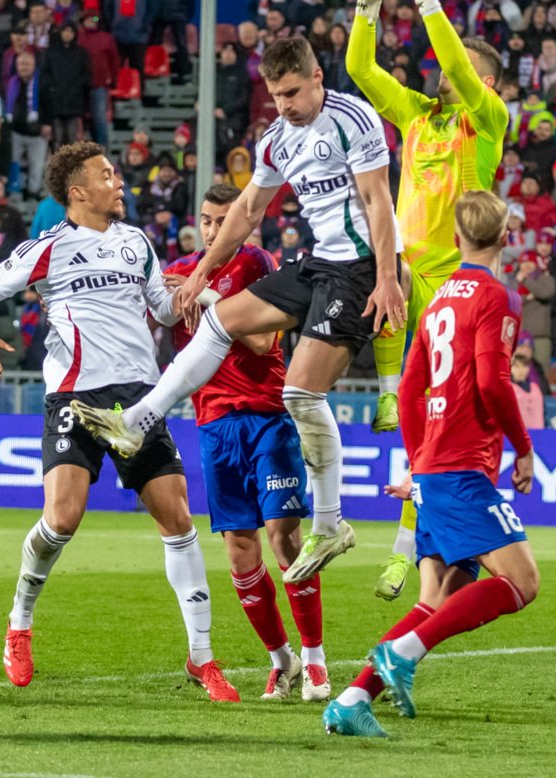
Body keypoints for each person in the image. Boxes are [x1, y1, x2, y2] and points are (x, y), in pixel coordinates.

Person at [69, 37, 405, 585]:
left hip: (361, 268)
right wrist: (201, 273)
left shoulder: (353, 118)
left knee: (299, 392)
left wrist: (388, 278)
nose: (284, 106)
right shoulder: (277, 138)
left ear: (318, 77)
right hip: (317, 262)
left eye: (293, 93)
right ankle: (138, 420)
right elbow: (248, 209)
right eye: (275, 96)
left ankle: (331, 522)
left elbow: (377, 201)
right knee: (221, 317)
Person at [0, 142, 238, 701]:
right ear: (78, 191)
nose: (119, 183)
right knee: (62, 518)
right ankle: (19, 624)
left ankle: (203, 658)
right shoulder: (49, 248)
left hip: (138, 399)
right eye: (107, 175)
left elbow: (162, 309)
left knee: (179, 519)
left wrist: (207, 298)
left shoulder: (136, 242)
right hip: (74, 396)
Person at [323, 191, 537, 737]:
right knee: (521, 582)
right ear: (506, 237)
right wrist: (524, 446)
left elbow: (412, 388)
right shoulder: (497, 298)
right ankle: (402, 654)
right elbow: (492, 381)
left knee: (441, 595)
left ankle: (350, 702)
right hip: (464, 466)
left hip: (438, 464)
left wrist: (417, 464)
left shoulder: (439, 300)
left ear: (457, 240)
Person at [346, 0, 511, 600]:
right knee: (370, 274)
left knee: (441, 433)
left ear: (484, 80)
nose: (445, 71)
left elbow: (461, 70)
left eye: (460, 66)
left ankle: (406, 548)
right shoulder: (416, 115)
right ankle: (385, 388)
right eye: (447, 64)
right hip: (405, 275)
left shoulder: (489, 118)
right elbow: (361, 69)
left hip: (456, 287)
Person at [164, 184, 331, 703]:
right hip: (213, 424)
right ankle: (281, 662)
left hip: (267, 417)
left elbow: (262, 340)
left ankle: (316, 660)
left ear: (244, 223)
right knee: (240, 549)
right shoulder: (181, 269)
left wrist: (212, 299)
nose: (214, 231)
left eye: (223, 220)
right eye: (208, 221)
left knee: (284, 534)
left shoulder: (259, 263)